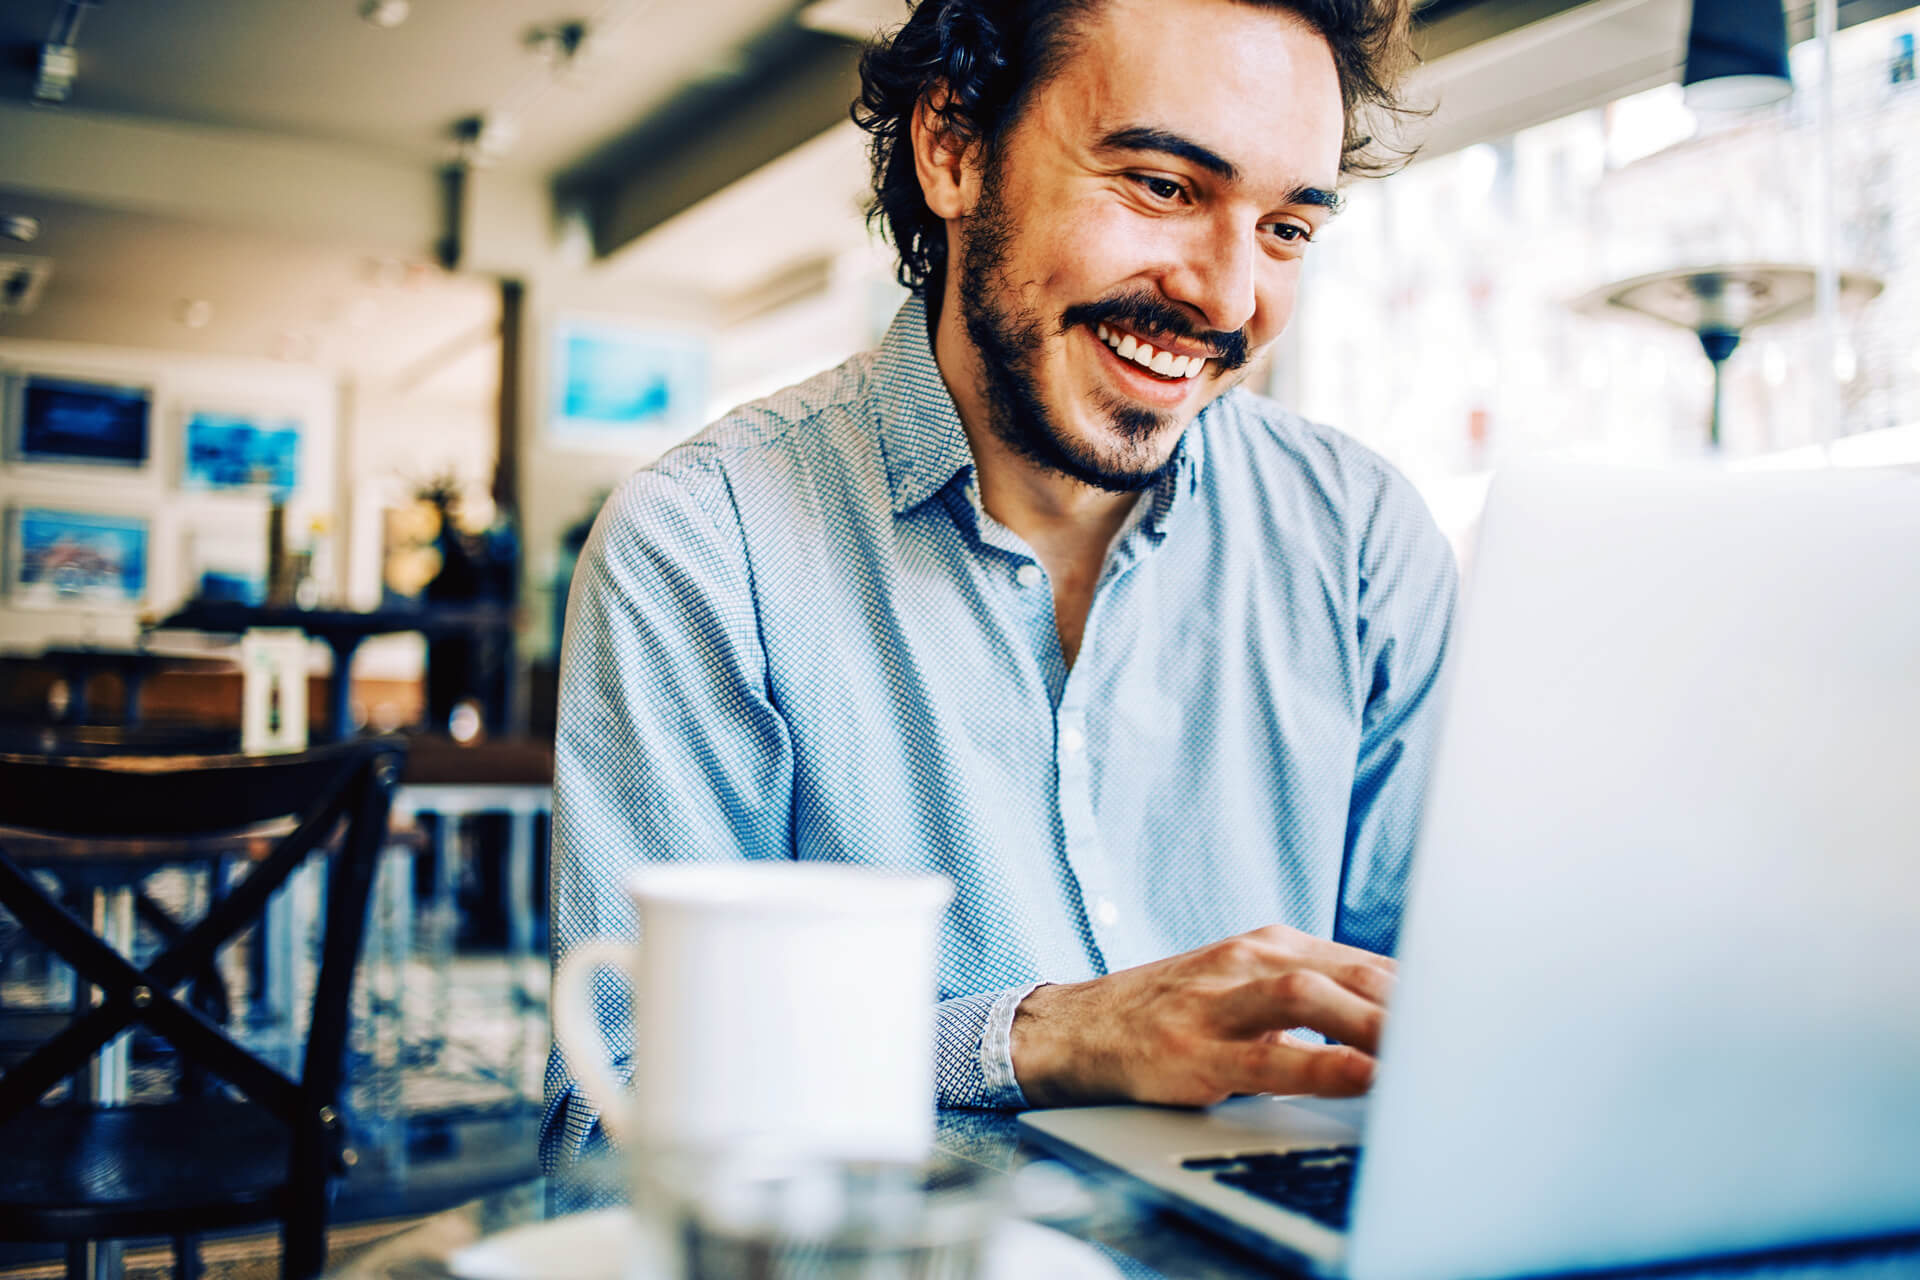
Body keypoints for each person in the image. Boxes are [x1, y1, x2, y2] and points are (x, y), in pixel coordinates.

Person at [543, 0, 1456, 1178]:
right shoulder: (707, 545)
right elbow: (613, 1118)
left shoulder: (1363, 539)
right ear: (955, 148)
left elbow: (1443, 1020)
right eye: (1163, 186)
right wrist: (1041, 1036)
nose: (1230, 301)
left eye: (1285, 228)